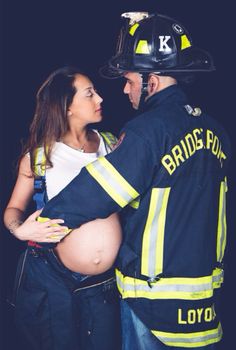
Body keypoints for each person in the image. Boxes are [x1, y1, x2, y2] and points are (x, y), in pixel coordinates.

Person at [38, 12, 230, 350]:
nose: (124, 90)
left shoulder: (147, 132)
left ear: (151, 82)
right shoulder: (216, 131)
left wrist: (42, 224)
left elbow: (95, 193)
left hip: (154, 304)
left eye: (128, 80)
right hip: (203, 305)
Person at [4, 66, 122, 350]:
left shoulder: (111, 145)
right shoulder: (41, 156)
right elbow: (12, 210)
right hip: (54, 281)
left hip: (103, 286)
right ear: (67, 106)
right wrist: (19, 230)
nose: (100, 99)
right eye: (90, 93)